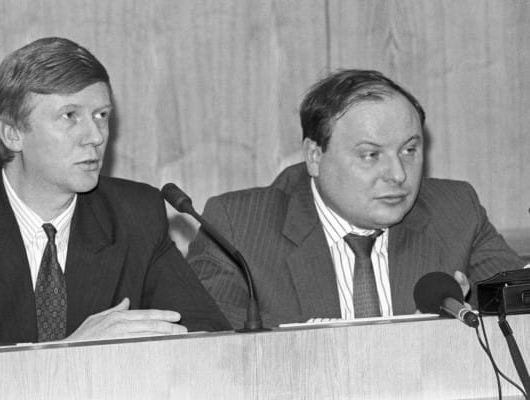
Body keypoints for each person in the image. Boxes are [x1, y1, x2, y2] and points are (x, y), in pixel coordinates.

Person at [0, 37, 230, 350]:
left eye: (101, 115)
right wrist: (62, 354)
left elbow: (205, 336)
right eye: (70, 116)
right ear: (12, 133)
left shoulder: (136, 214)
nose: (95, 136)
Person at [187, 69, 525, 328]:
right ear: (315, 156)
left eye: (409, 150)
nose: (398, 174)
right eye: (370, 155)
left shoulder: (456, 211)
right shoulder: (238, 228)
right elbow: (208, 343)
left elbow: (522, 304)